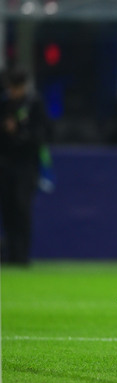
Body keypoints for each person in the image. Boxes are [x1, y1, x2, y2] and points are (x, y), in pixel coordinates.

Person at [0, 69, 53, 265]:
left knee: (21, 208)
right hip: (5, 165)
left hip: (25, 165)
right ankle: (10, 253)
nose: (13, 92)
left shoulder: (34, 104)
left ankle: (22, 255)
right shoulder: (5, 104)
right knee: (7, 209)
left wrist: (20, 132)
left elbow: (42, 134)